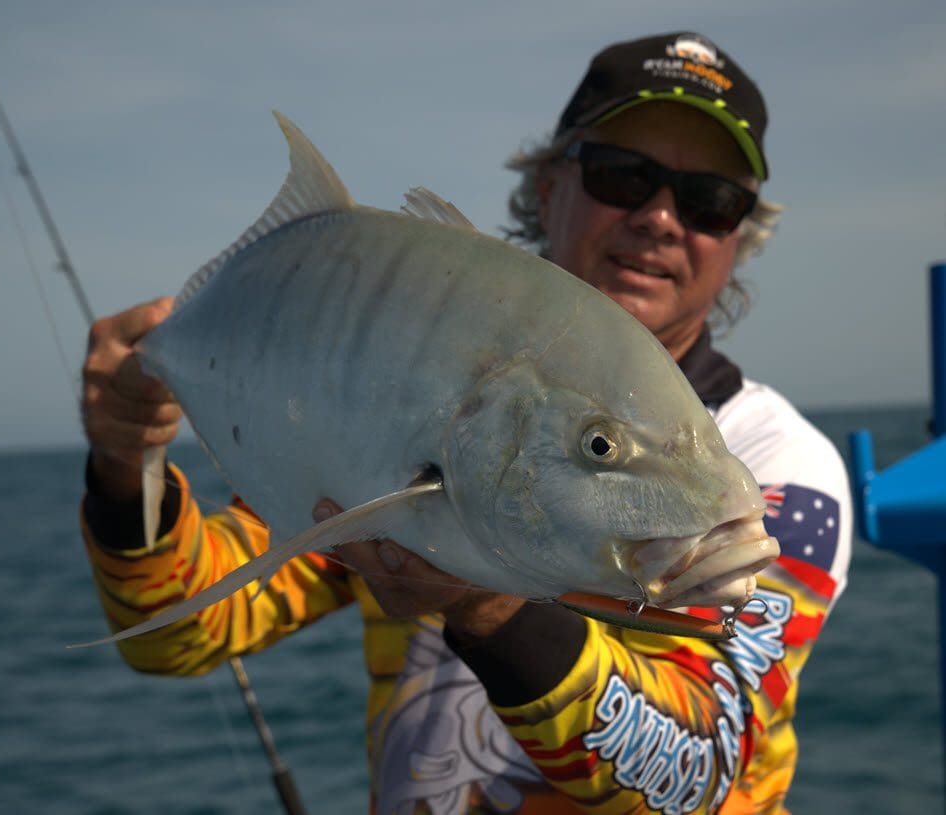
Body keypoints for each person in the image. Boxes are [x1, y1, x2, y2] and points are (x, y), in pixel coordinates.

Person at [80, 31, 852, 814]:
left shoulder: (778, 468)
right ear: (547, 187)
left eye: (709, 200)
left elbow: (698, 771)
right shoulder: (412, 397)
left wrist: (486, 607)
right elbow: (175, 629)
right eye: (622, 175)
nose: (659, 218)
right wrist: (124, 464)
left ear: (740, 236)